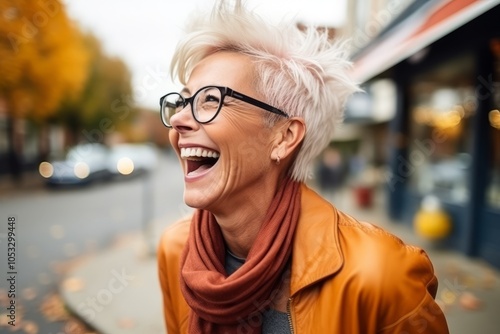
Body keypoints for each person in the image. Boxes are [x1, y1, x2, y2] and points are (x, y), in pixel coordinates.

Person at [157, 1, 449, 333]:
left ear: (284, 136)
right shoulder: (175, 250)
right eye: (181, 101)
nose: (179, 119)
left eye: (210, 99)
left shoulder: (382, 277)